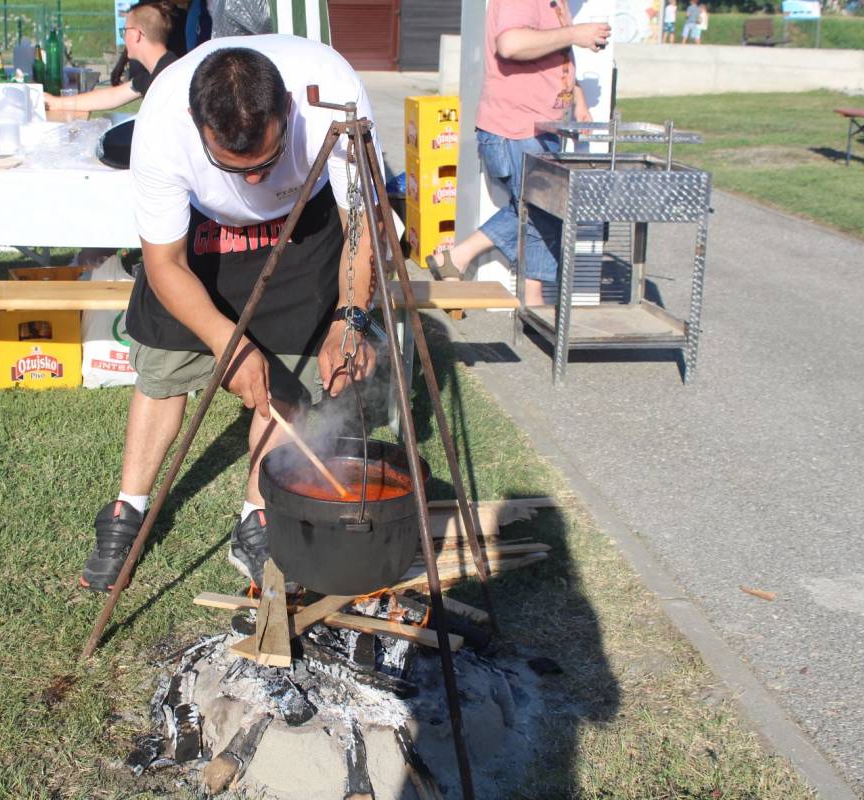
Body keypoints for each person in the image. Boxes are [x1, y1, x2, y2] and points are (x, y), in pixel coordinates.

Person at [78, 36, 378, 592]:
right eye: (235, 167)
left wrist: (350, 316)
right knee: (165, 369)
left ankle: (255, 517)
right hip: (202, 233)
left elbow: (362, 224)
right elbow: (164, 263)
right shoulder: (165, 122)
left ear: (287, 109)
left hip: (302, 221)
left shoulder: (332, 94)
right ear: (198, 125)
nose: (255, 180)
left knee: (284, 376)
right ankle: (127, 509)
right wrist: (227, 342)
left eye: (266, 161)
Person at [425, 0, 609, 307]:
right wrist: (575, 33)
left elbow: (547, 48)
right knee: (542, 208)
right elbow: (511, 44)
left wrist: (577, 98)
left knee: (536, 209)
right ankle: (528, 298)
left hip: (536, 127)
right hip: (516, 126)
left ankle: (460, 260)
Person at [45, 1, 178, 116]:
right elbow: (111, 96)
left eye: (125, 31)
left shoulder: (170, 77)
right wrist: (56, 102)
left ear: (137, 34)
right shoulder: (152, 74)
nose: (124, 37)